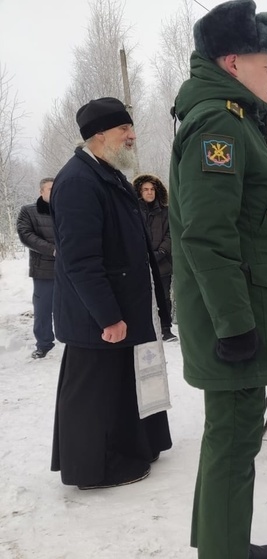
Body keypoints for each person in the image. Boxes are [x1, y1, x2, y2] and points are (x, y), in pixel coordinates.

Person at [169, 3, 267, 556]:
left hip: (241, 313)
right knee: (231, 440)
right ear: (232, 62)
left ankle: (224, 544)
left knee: (231, 441)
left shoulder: (234, 120)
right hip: (234, 321)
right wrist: (232, 324)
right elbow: (207, 236)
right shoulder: (220, 125)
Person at [49, 97, 172, 490]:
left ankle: (136, 446)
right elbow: (80, 260)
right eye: (124, 130)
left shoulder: (109, 173)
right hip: (96, 316)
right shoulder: (77, 182)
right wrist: (108, 316)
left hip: (122, 304)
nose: (132, 135)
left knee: (124, 384)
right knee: (94, 396)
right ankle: (96, 468)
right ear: (99, 135)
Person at [134, 174, 177, 341]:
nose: (149, 192)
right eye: (145, 189)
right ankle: (143, 328)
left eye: (152, 189)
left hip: (162, 262)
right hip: (140, 262)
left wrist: (161, 252)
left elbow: (171, 233)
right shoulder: (133, 210)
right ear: (139, 191)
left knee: (164, 297)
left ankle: (166, 328)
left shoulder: (166, 212)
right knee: (140, 296)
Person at [16, 177, 56, 359]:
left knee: (75, 306)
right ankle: (44, 343)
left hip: (69, 268)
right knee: (43, 309)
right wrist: (52, 250)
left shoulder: (66, 210)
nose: (54, 192)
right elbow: (26, 235)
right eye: (49, 189)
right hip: (44, 269)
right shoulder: (29, 211)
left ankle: (74, 339)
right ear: (41, 191)